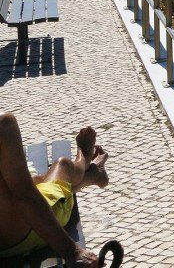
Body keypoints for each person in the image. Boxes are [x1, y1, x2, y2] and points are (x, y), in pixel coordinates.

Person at [0, 114, 106, 266]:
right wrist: (72, 251)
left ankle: (91, 173)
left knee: (33, 180)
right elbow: (25, 197)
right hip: (18, 237)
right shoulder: (4, 124)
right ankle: (85, 160)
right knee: (62, 165)